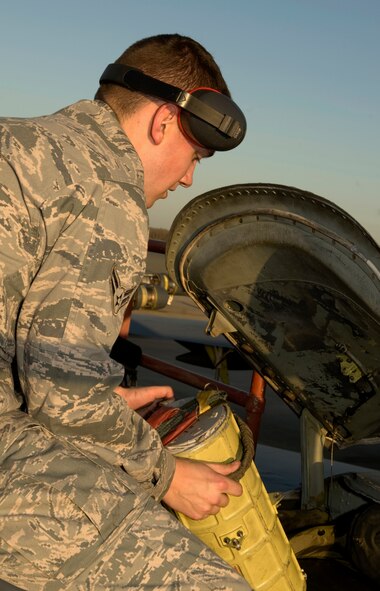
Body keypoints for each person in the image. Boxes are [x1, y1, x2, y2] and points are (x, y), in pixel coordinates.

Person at [0, 34, 250, 590]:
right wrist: (166, 475)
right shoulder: (109, 191)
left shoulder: (22, 141)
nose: (187, 178)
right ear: (163, 123)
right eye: (194, 157)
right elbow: (62, 397)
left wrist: (93, 401)